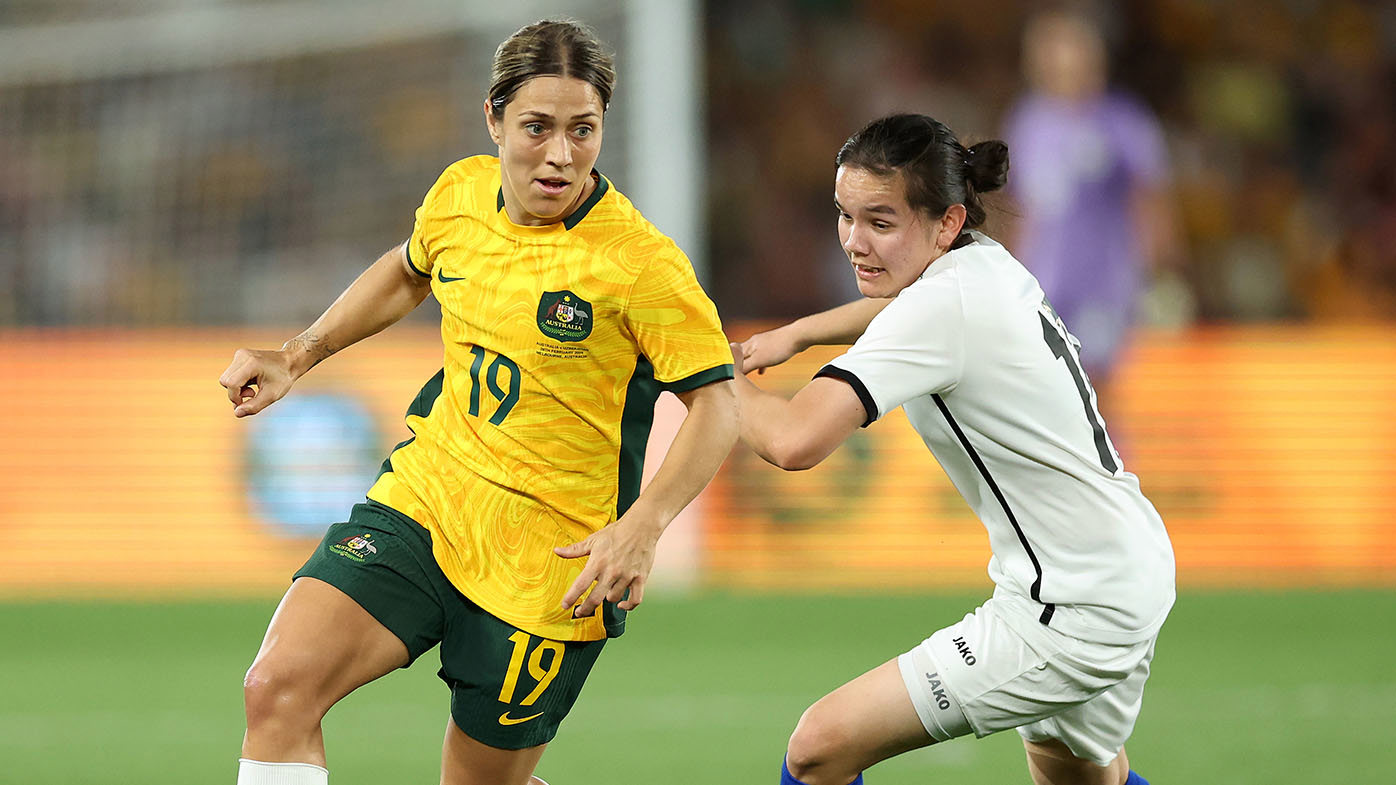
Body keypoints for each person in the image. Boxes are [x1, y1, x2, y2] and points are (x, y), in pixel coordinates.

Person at [218, 19, 738, 785]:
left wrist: (643, 526)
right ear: (493, 119)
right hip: (430, 499)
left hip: (551, 563)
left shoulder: (641, 264)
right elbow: (407, 269)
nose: (560, 154)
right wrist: (298, 354)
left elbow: (718, 406)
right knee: (275, 688)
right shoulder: (461, 193)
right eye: (537, 127)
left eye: (582, 130)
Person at [733, 113, 1174, 785]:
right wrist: (797, 333)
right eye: (844, 216)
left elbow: (794, 440)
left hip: (1070, 605)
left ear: (946, 221)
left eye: (880, 223)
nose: (854, 241)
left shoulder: (941, 310)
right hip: (1126, 564)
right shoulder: (984, 265)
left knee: (818, 748)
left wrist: (701, 379)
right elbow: (906, 305)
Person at [1002, 10, 1178, 389]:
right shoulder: (1028, 121)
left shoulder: (1123, 121)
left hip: (1104, 283)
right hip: (1043, 283)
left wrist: (1159, 273)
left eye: (1064, 46)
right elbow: (1020, 207)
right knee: (1046, 387)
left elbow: (1150, 200)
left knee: (1096, 388)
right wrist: (1010, 272)